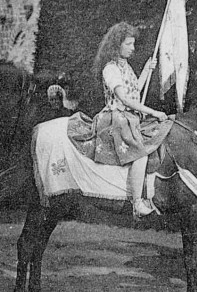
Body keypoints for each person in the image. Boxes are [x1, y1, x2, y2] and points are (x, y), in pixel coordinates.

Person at [68, 22, 171, 217]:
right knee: (140, 153)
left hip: (129, 116)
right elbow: (124, 99)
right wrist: (154, 112)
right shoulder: (110, 69)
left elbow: (134, 91)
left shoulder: (126, 67)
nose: (133, 48)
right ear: (117, 45)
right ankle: (137, 203)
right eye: (129, 44)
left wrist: (147, 71)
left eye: (133, 44)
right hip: (116, 118)